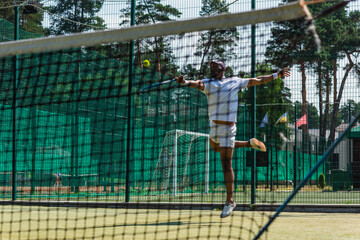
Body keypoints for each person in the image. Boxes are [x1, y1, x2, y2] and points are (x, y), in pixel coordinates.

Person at [175, 60, 290, 218]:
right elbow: (196, 84)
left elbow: (257, 80)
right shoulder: (208, 84)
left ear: (222, 69)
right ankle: (248, 143)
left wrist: (277, 75)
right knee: (216, 148)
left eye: (214, 67)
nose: (212, 69)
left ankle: (229, 201)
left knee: (226, 163)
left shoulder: (234, 81)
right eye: (210, 68)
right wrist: (184, 82)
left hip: (228, 128)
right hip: (214, 126)